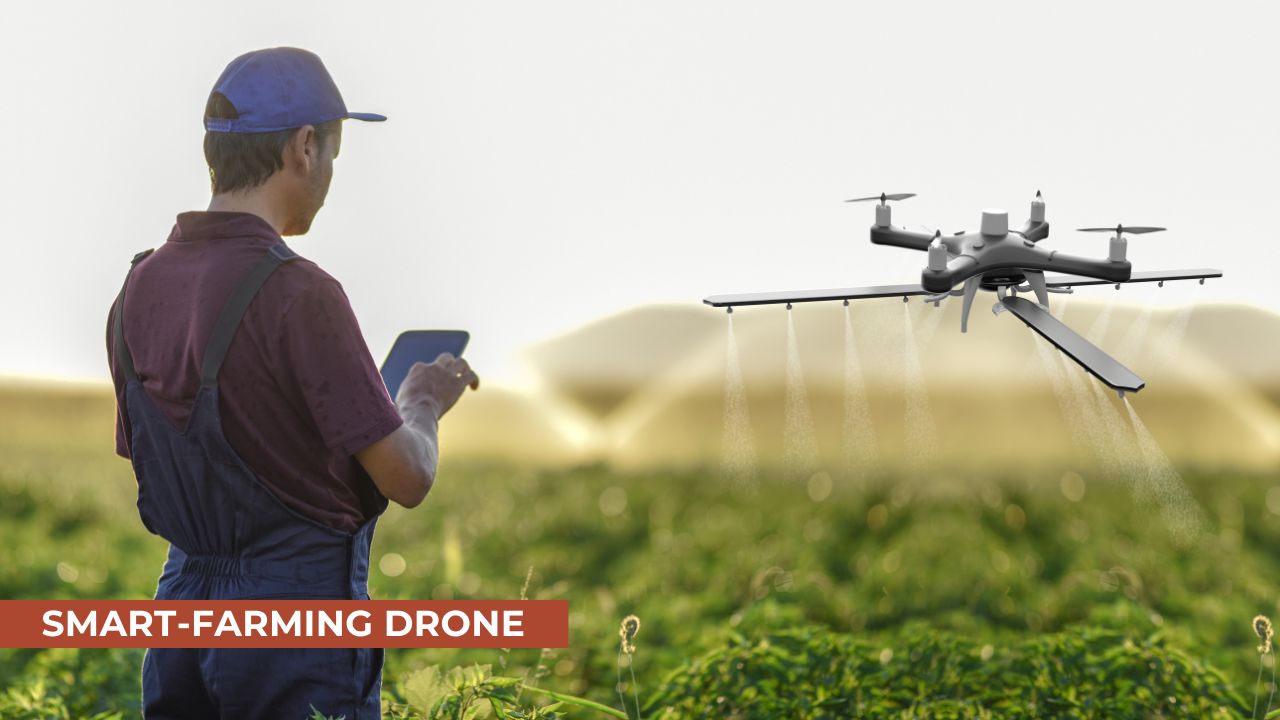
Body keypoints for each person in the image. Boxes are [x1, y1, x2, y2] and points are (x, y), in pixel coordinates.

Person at [105, 47, 478, 719]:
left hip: (179, 614)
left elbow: (177, 455)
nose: (330, 174)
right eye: (333, 154)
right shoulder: (301, 292)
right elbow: (406, 479)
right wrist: (421, 401)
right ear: (304, 147)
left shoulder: (137, 287)